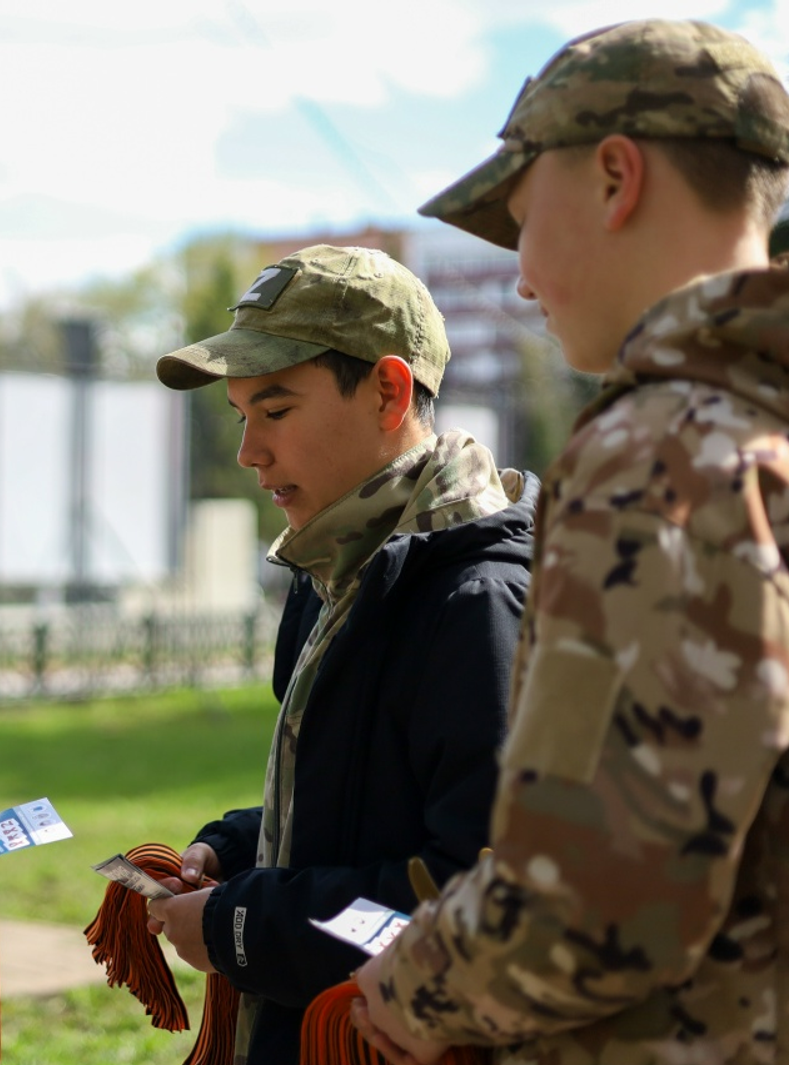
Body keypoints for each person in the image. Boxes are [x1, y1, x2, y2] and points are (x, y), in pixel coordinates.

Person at [351, 19, 789, 1065]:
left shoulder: (661, 452)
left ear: (615, 177)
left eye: (523, 222)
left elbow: (594, 906)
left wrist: (407, 991)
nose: (521, 280)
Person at [146, 244, 538, 1064]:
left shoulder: (478, 604)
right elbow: (367, 808)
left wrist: (243, 925)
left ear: (390, 391)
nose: (250, 450)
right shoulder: (329, 576)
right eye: (240, 415)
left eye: (277, 410)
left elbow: (476, 896)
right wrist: (241, 844)